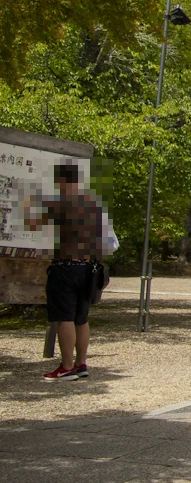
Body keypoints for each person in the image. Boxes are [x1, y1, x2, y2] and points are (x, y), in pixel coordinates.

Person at [24, 162, 105, 381]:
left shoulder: (60, 203)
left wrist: (28, 201)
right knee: (81, 318)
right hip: (88, 269)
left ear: (62, 180)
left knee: (64, 318)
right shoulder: (91, 204)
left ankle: (67, 366)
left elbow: (32, 224)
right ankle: (81, 363)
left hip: (65, 266)